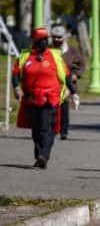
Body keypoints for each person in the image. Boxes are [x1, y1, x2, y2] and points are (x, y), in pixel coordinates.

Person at [12, 27, 77, 168]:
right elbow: (15, 74)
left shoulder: (55, 56)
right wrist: (16, 87)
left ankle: (43, 155)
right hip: (31, 98)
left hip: (50, 98)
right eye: (40, 39)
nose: (43, 42)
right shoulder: (24, 56)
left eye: (45, 39)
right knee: (36, 130)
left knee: (46, 128)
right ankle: (39, 155)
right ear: (34, 41)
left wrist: (74, 92)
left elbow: (65, 76)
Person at [50, 25, 86, 140]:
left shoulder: (72, 51)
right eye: (54, 37)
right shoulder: (48, 50)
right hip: (52, 83)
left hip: (67, 83)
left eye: (59, 37)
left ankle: (64, 131)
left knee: (64, 108)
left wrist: (76, 74)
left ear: (64, 38)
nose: (56, 40)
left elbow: (82, 64)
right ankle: (53, 129)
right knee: (53, 108)